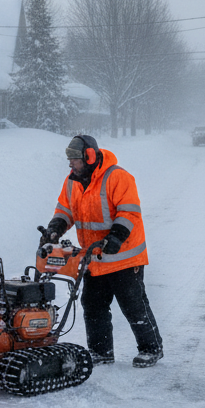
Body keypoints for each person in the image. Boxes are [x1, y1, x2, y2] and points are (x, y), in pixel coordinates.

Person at [40, 134, 163, 368]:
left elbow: (129, 213)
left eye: (75, 159)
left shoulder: (118, 177)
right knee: (93, 305)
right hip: (93, 258)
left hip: (123, 257)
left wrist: (116, 236)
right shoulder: (72, 181)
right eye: (69, 160)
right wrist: (55, 228)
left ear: (89, 156)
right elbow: (64, 210)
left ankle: (151, 348)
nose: (71, 164)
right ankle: (100, 352)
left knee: (133, 305)